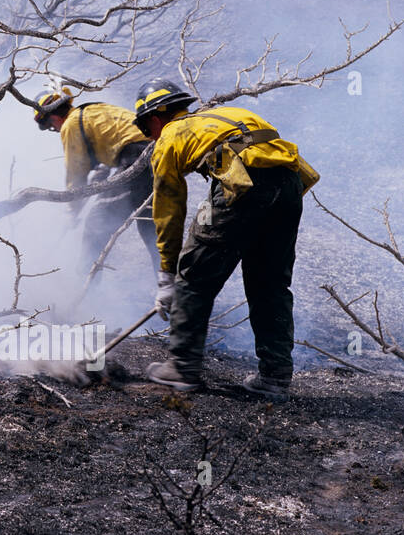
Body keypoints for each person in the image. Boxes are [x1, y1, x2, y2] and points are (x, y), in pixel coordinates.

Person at [131, 80, 320, 398]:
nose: (150, 137)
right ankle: (274, 378)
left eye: (147, 130)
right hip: (289, 185)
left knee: (194, 275)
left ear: (153, 119)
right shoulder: (228, 115)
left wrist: (167, 276)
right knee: (269, 284)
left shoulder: (169, 139)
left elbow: (168, 209)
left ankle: (181, 367)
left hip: (244, 182)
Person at [32, 87, 159, 271]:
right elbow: (104, 163)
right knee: (150, 227)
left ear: (53, 117)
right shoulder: (94, 111)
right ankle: (168, 287)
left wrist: (71, 210)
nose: (55, 129)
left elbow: (76, 173)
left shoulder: (71, 124)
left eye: (52, 126)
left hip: (136, 159)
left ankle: (85, 282)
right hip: (156, 156)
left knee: (96, 223)